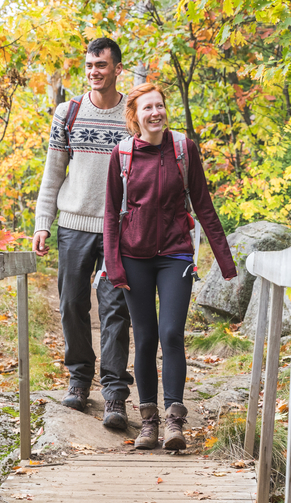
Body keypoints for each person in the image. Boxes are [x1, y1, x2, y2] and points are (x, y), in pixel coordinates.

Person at [103, 83, 237, 450]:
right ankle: (149, 423)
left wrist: (224, 261)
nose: (155, 112)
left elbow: (204, 205)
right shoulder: (123, 155)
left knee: (172, 333)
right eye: (147, 108)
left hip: (176, 254)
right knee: (145, 338)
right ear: (136, 116)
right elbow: (112, 215)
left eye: (159, 105)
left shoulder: (182, 149)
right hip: (134, 258)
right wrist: (114, 266)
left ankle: (175, 421)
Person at [32, 37, 134, 430]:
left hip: (120, 229)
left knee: (114, 311)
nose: (94, 72)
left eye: (102, 66)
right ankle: (78, 378)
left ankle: (114, 393)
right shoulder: (68, 112)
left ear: (117, 68)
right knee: (72, 304)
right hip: (73, 224)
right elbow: (53, 172)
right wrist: (44, 223)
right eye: (90, 66)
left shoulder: (133, 113)